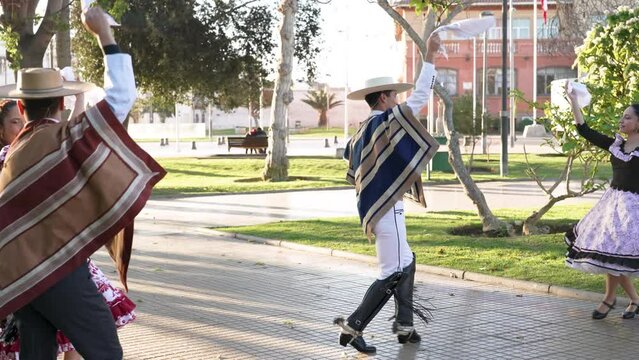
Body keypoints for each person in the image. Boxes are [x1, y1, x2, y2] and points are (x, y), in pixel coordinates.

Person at [0, 6, 165, 360]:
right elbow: (121, 97)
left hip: (15, 272)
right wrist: (104, 33)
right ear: (61, 103)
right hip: (54, 269)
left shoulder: (17, 150)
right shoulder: (63, 139)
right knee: (105, 350)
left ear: (22, 107)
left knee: (36, 352)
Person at [333, 34, 441, 354]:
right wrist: (431, 56)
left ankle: (405, 326)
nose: (397, 100)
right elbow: (420, 96)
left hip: (375, 208)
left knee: (406, 261)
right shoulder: (385, 122)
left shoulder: (363, 129)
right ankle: (353, 327)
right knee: (393, 271)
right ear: (382, 97)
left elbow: (354, 165)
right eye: (394, 95)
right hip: (386, 210)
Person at [564, 84, 639, 320]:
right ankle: (625, 300)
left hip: (634, 209)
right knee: (610, 253)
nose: (621, 120)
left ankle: (614, 299)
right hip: (612, 206)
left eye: (627, 117)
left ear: (638, 123)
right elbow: (584, 130)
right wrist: (574, 101)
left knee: (615, 255)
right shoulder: (617, 145)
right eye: (621, 116)